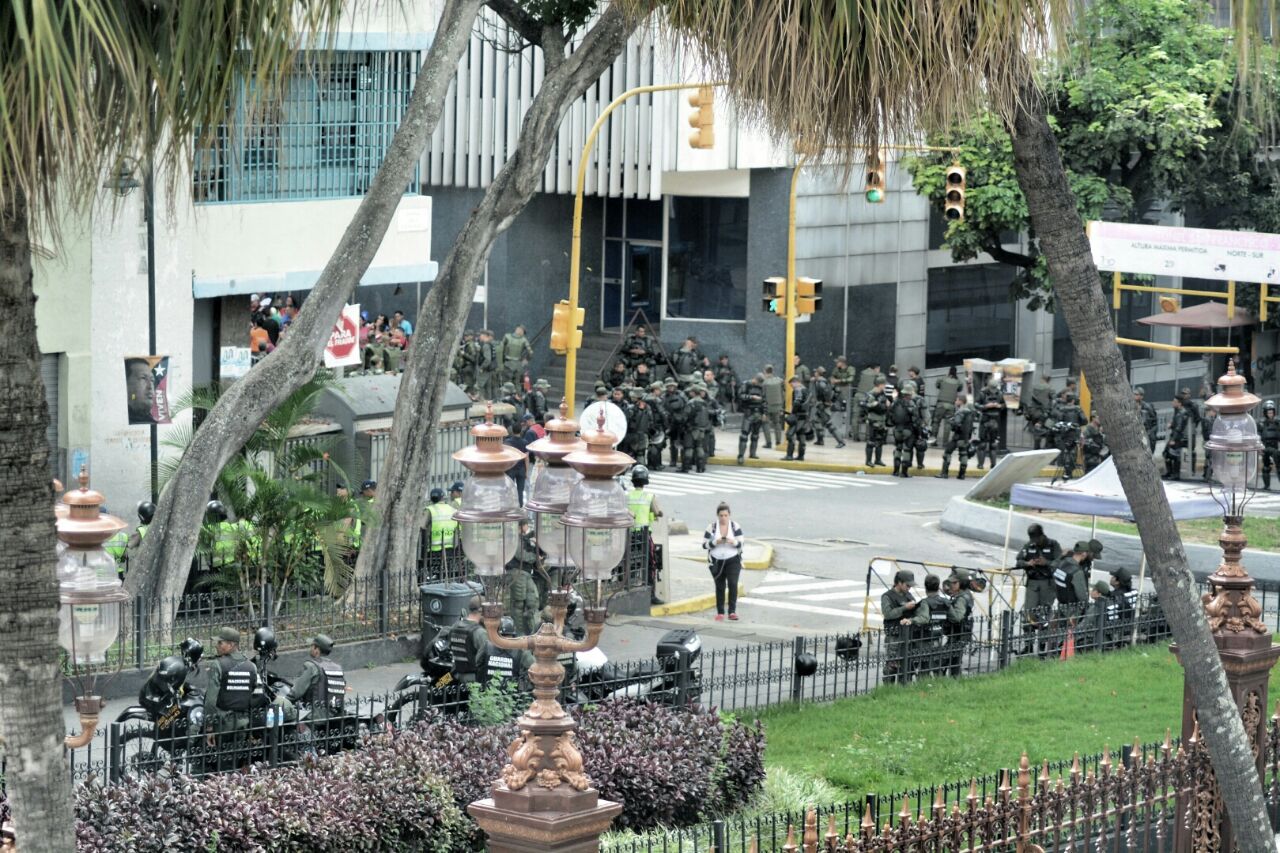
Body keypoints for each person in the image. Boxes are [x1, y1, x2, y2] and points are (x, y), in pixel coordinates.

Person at [203, 627, 259, 770]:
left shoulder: (218, 664)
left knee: (222, 765)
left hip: (223, 724)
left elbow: (210, 700)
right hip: (243, 724)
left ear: (232, 645)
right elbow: (255, 696)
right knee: (237, 762)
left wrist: (209, 727)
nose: (217, 646)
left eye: (221, 643)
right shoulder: (251, 666)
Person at [290, 634, 346, 750]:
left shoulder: (312, 667)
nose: (310, 648)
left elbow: (295, 693)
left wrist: (283, 701)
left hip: (312, 717)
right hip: (333, 717)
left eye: (312, 646)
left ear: (316, 650)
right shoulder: (337, 668)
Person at [1015, 524, 1061, 655]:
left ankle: (1042, 647)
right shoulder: (1029, 546)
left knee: (1044, 615)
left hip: (1048, 584)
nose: (1034, 542)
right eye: (1032, 539)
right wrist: (1027, 563)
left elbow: (1060, 562)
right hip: (1033, 583)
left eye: (1036, 539)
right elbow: (1018, 561)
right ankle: (1028, 645)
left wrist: (1046, 563)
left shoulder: (1053, 545)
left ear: (1042, 535)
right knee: (1029, 615)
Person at [880, 569, 928, 684]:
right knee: (892, 665)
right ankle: (888, 688)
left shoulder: (909, 595)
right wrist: (904, 608)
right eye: (907, 585)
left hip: (908, 635)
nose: (909, 588)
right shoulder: (887, 596)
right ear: (899, 582)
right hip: (894, 635)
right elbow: (888, 614)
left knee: (907, 664)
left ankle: (904, 686)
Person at [627, 466, 664, 605]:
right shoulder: (649, 497)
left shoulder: (627, 496)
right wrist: (657, 514)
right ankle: (651, 595)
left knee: (629, 563)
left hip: (629, 536)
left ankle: (628, 589)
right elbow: (658, 511)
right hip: (643, 536)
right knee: (650, 563)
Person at [704, 502, 744, 622]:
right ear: (717, 515)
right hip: (717, 561)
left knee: (733, 584)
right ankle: (720, 612)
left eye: (726, 515)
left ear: (729, 515)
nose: (723, 518)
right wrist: (716, 542)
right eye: (721, 515)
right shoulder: (712, 527)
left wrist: (733, 542)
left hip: (733, 559)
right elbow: (704, 545)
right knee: (720, 586)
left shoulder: (735, 526)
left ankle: (732, 611)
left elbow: (741, 543)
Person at [1051, 542, 1093, 651]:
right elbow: (1082, 597)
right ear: (1083, 554)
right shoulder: (1077, 572)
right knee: (1070, 637)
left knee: (1057, 633)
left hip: (1061, 604)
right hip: (1073, 609)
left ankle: (1052, 652)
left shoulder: (1061, 564)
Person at [449, 596, 491, 685]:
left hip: (455, 676)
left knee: (438, 685)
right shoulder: (480, 632)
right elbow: (487, 658)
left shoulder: (454, 627)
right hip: (473, 680)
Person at [503, 540, 542, 636]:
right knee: (518, 605)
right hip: (517, 572)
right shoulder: (514, 539)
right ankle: (520, 634)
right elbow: (522, 555)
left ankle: (531, 631)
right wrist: (536, 557)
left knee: (532, 603)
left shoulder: (526, 538)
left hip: (525, 573)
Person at [943, 570, 975, 676]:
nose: (951, 585)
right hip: (962, 633)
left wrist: (947, 607)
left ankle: (951, 681)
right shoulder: (966, 594)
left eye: (954, 583)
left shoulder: (961, 599)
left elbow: (957, 617)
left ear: (962, 583)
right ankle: (955, 681)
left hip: (957, 634)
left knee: (944, 660)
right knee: (954, 661)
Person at [423, 488, 458, 581]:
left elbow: (422, 526)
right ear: (443, 498)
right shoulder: (452, 510)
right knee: (448, 572)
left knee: (436, 573)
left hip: (435, 548)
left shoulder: (430, 510)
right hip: (450, 546)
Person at [937, 393, 975, 480]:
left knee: (947, 453)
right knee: (963, 454)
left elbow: (957, 424)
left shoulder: (961, 411)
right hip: (965, 438)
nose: (955, 401)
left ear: (961, 401)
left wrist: (951, 422)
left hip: (957, 436)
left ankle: (944, 473)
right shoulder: (969, 412)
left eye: (957, 400)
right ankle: (961, 475)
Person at [889, 383, 923, 478]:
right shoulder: (911, 404)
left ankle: (895, 471)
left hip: (897, 430)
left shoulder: (895, 402)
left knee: (898, 449)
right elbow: (916, 420)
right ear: (910, 394)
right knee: (907, 450)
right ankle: (904, 472)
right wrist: (919, 433)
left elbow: (890, 415)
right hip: (908, 430)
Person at [809, 367, 846, 448]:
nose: (814, 373)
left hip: (823, 406)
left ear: (818, 373)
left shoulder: (821, 383)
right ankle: (820, 440)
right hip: (821, 405)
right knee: (816, 421)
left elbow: (826, 393)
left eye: (815, 372)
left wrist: (826, 403)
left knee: (829, 424)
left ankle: (841, 441)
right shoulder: (820, 381)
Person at [684, 382, 714, 473]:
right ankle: (700, 467)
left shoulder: (691, 403)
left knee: (689, 448)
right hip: (702, 429)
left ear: (693, 392)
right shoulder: (704, 403)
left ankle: (686, 467)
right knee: (699, 447)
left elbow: (686, 416)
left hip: (692, 428)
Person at [1075, 581, 1113, 652]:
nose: (1091, 591)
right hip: (1110, 637)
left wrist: (1072, 632)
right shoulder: (1110, 602)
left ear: (1099, 594)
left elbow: (1084, 625)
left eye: (1093, 590)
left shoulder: (1096, 607)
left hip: (1099, 639)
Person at [737, 374, 767, 464]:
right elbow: (740, 396)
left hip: (758, 412)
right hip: (748, 411)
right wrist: (751, 397)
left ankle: (752, 453)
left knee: (755, 435)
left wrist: (764, 413)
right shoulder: (746, 384)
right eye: (758, 382)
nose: (758, 384)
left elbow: (764, 400)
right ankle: (741, 455)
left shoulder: (761, 388)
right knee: (744, 435)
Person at [862, 375, 891, 467]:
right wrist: (875, 404)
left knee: (880, 441)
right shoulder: (871, 394)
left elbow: (886, 404)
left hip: (882, 420)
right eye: (884, 384)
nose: (885, 386)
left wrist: (886, 404)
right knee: (871, 441)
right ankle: (868, 460)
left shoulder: (883, 394)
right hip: (874, 420)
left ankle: (878, 460)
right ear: (880, 384)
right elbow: (865, 404)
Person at [974, 379, 1003, 469]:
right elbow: (976, 404)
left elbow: (1003, 404)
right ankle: (981, 464)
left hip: (995, 420)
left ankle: (993, 464)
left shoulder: (999, 393)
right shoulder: (983, 393)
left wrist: (999, 406)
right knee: (983, 443)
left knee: (993, 444)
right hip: (986, 418)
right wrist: (986, 406)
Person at [662, 378, 689, 470]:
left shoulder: (681, 395)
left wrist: (683, 417)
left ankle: (683, 461)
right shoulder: (664, 396)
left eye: (672, 386)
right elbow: (662, 408)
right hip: (671, 422)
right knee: (673, 443)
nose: (671, 387)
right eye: (669, 386)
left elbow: (687, 406)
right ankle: (673, 460)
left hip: (681, 422)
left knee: (682, 442)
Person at [932, 366, 962, 447]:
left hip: (940, 404)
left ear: (949, 371)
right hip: (951, 405)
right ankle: (945, 443)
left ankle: (933, 440)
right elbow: (960, 389)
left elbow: (937, 385)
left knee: (936, 422)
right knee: (948, 424)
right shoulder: (958, 381)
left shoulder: (942, 379)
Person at [784, 375, 812, 462]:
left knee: (790, 435)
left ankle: (789, 455)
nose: (791, 387)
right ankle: (801, 456)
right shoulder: (807, 390)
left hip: (798, 416)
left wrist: (792, 413)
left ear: (795, 382)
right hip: (805, 416)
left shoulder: (798, 390)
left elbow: (797, 402)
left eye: (791, 385)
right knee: (801, 436)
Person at [1026, 374, 1055, 450]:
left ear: (1042, 378)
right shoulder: (1050, 388)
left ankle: (1036, 448)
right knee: (1048, 430)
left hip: (1033, 413)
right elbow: (1053, 400)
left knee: (1036, 432)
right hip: (1044, 413)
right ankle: (1046, 449)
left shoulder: (1034, 387)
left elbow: (1028, 399)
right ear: (1048, 380)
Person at [852, 361, 879, 442]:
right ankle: (868, 437)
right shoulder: (876, 375)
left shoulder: (861, 373)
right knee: (869, 417)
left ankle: (855, 436)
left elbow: (857, 382)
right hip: (868, 397)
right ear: (875, 368)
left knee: (855, 416)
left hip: (858, 395)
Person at [761, 365, 786, 449]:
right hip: (778, 406)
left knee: (765, 424)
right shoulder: (779, 381)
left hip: (768, 406)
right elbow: (783, 391)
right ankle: (778, 441)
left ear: (765, 371)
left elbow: (763, 396)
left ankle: (768, 443)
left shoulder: (765, 383)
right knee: (777, 424)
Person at [125, 357, 156, 424]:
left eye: (152, 380)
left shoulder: (155, 425)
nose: (150, 387)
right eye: (143, 378)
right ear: (126, 383)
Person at [1260, 401, 1280, 490]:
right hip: (1265, 447)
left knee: (1279, 466)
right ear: (1265, 413)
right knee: (1265, 467)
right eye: (1268, 412)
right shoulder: (1261, 424)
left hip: (1275, 447)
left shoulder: (1278, 423)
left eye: (1271, 412)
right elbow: (1258, 435)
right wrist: (1259, 446)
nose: (1270, 414)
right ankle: (1266, 486)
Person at [476, 330, 499, 401]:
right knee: (490, 388)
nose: (479, 337)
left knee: (481, 386)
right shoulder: (491, 344)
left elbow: (487, 359)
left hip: (486, 370)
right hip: (492, 369)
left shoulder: (486, 345)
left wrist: (481, 367)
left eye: (480, 335)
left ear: (484, 336)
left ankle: (484, 402)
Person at [1135, 387, 1158, 453]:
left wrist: (1149, 433)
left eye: (1137, 394)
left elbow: (1154, 422)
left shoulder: (1147, 407)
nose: (1134, 396)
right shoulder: (1131, 406)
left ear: (1141, 396)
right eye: (1134, 394)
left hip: (1147, 434)